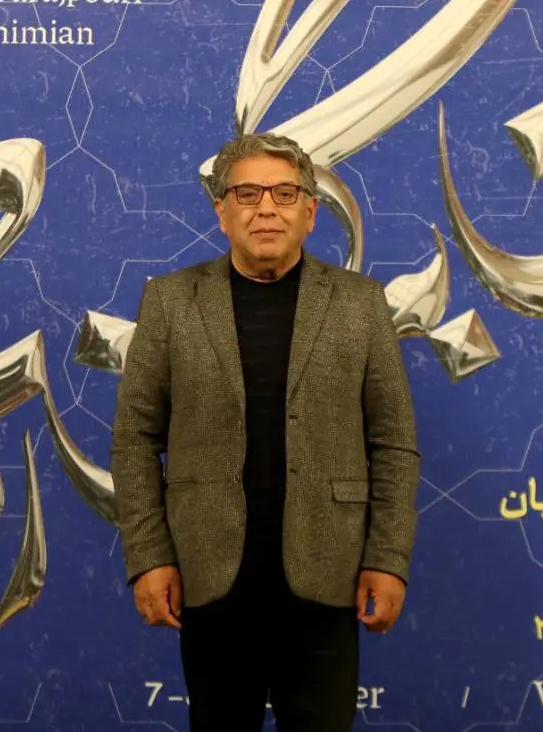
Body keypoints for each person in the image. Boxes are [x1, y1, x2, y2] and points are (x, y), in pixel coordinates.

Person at [110, 132, 421, 731]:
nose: (266, 208)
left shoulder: (360, 305)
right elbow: (135, 439)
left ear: (310, 211)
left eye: (284, 193)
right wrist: (148, 558)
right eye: (247, 193)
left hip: (328, 574)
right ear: (221, 211)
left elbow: (394, 443)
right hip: (210, 579)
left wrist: (388, 559)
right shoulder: (170, 303)